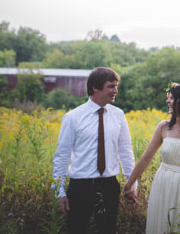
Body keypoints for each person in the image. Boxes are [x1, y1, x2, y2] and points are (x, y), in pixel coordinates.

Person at [52, 67, 137, 234]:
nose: (116, 91)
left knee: (108, 230)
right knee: (77, 230)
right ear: (95, 88)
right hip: (80, 187)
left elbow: (126, 151)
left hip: (109, 185)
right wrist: (59, 192)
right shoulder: (73, 117)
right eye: (111, 86)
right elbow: (61, 156)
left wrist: (131, 183)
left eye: (116, 86)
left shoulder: (118, 115)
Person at [124, 83, 180, 234]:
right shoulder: (163, 127)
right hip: (163, 183)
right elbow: (146, 158)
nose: (167, 101)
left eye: (171, 98)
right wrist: (129, 184)